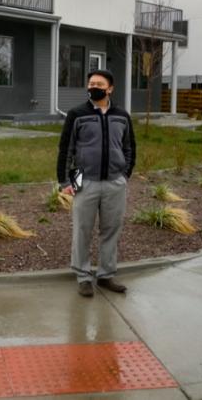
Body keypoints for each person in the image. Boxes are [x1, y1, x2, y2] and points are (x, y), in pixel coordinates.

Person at [56, 69, 136, 297]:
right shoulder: (76, 114)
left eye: (99, 84)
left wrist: (124, 174)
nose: (94, 87)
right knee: (82, 230)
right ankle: (83, 276)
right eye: (91, 83)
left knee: (111, 230)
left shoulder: (122, 115)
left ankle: (106, 275)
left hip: (114, 182)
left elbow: (129, 148)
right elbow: (66, 150)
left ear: (110, 88)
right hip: (84, 180)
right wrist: (66, 181)